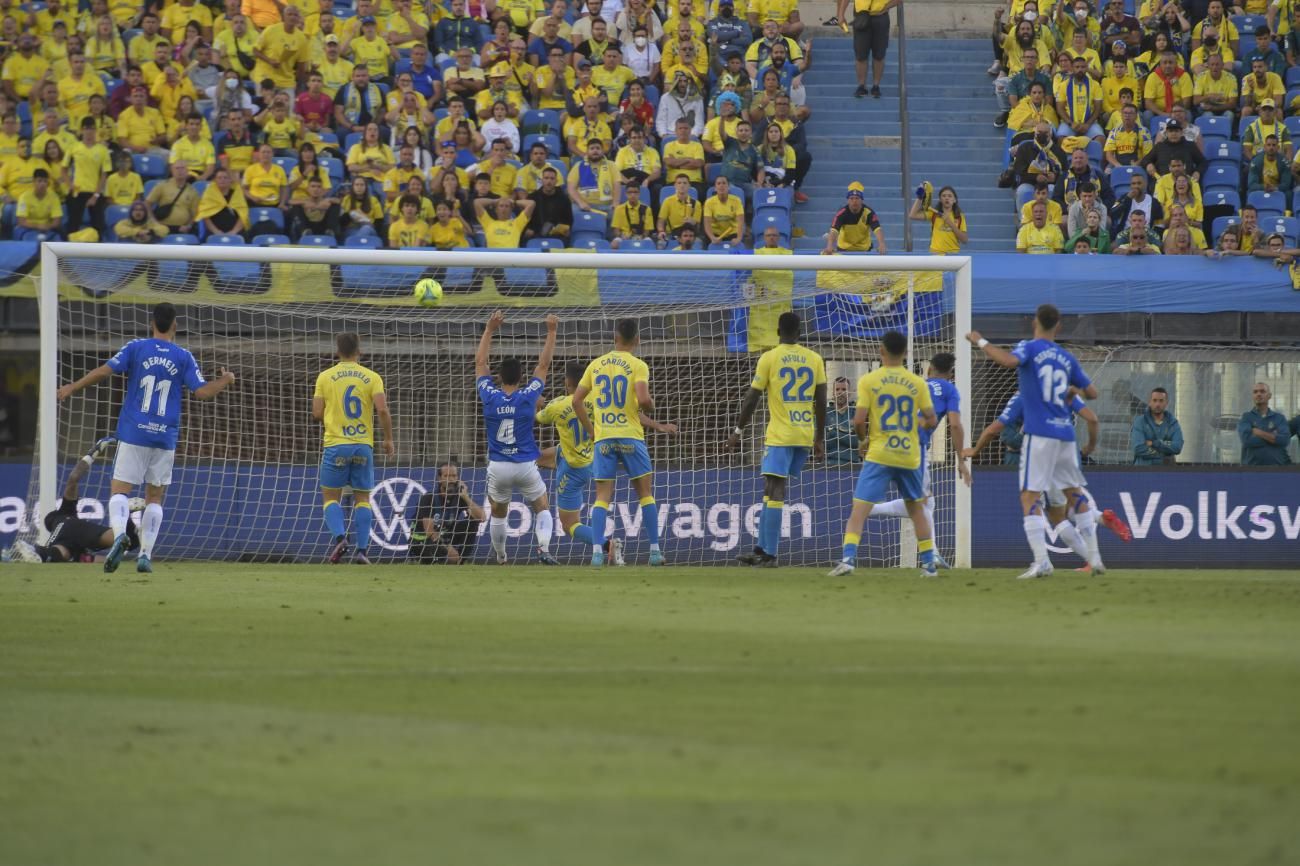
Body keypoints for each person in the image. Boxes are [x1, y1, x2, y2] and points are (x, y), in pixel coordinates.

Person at [55, 303, 235, 573]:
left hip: (134, 431)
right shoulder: (183, 356)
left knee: (119, 492)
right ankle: (146, 555)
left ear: (152, 323)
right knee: (154, 498)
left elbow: (104, 371)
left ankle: (119, 538)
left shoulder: (136, 347)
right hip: (164, 436)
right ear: (175, 325)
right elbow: (202, 393)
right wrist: (225, 381)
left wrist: (72, 386)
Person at [966, 304, 1106, 579]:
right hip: (1065, 435)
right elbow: (1093, 393)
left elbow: (1007, 362)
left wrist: (979, 340)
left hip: (1040, 434)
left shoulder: (1029, 348)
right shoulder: (1067, 357)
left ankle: (1042, 561)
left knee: (1029, 496)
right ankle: (1096, 558)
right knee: (1073, 492)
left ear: (1034, 323)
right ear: (1059, 326)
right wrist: (1075, 390)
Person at [827, 331, 939, 578]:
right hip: (909, 454)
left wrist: (863, 440)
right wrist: (911, 424)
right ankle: (930, 565)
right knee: (916, 508)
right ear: (906, 353)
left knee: (860, 508)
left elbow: (858, 420)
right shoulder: (918, 383)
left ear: (881, 351)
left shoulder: (870, 380)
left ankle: (848, 559)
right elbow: (931, 419)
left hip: (879, 453)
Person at [723, 312, 826, 566]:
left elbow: (752, 398)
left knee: (775, 488)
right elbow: (822, 400)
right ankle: (761, 549)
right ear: (800, 332)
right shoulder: (814, 358)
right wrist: (819, 437)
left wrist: (738, 431)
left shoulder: (770, 358)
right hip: (804, 432)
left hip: (781, 434)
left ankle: (770, 553)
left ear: (778, 332)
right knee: (770, 489)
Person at [571, 318, 667, 566]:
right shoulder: (638, 365)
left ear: (615, 337)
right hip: (631, 436)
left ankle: (596, 553)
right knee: (645, 494)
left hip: (604, 439)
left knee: (602, 497)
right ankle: (655, 552)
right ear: (637, 339)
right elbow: (644, 400)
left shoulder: (595, 365)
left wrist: (591, 431)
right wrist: (651, 406)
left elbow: (576, 401)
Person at [866, 351, 971, 569]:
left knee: (925, 502)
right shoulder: (950, 390)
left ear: (929, 369)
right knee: (922, 504)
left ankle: (871, 509)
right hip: (913, 449)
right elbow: (955, 425)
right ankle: (929, 554)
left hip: (890, 443)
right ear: (951, 374)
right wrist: (961, 459)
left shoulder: (916, 385)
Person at [475, 310, 560, 565]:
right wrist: (552, 332)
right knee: (542, 507)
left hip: (498, 465)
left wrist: (489, 330)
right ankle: (543, 549)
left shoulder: (489, 394)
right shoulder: (528, 396)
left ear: (498, 377)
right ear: (522, 378)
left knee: (499, 514)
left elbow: (480, 364)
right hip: (524, 465)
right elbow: (543, 366)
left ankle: (501, 557)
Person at [312, 332, 394, 565]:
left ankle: (340, 537)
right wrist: (388, 439)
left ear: (337, 352)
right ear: (360, 351)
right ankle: (362, 551)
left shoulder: (325, 377)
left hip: (336, 444)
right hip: (362, 446)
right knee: (363, 499)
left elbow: (316, 413)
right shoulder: (372, 377)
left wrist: (332, 416)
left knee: (330, 498)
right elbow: (383, 410)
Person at [3, 438, 143, 564]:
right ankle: (127, 514)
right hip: (83, 536)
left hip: (68, 537)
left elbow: (73, 479)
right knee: (128, 542)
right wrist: (93, 452)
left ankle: (37, 552)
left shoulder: (62, 516)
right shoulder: (65, 512)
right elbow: (73, 478)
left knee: (59, 552)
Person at [408, 460, 486, 564]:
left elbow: (482, 518)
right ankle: (422, 560)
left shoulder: (459, 498)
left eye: (454, 476)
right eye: (447, 476)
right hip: (422, 539)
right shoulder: (428, 498)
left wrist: (466, 497)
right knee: (437, 554)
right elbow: (430, 532)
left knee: (473, 522)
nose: (451, 479)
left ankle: (461, 561)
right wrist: (449, 550)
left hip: (444, 535)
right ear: (440, 479)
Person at [838, 0, 896, 98]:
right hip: (861, 15)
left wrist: (885, 8)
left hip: (880, 17)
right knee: (860, 54)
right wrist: (841, 14)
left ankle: (876, 85)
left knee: (879, 54)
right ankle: (861, 85)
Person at [1237, 382, 1292, 465]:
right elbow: (1247, 441)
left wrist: (1257, 432)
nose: (1258, 394)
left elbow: (1284, 440)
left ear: (1269, 395)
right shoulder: (1246, 418)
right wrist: (1273, 436)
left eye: (1262, 391)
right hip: (1251, 469)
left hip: (1278, 469)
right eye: (1255, 392)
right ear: (1252, 396)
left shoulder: (1279, 418)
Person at [823, 181, 885, 254]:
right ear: (848, 200)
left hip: (864, 249)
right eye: (851, 198)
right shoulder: (841, 213)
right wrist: (830, 245)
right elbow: (834, 231)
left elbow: (877, 229)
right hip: (844, 249)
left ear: (862, 200)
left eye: (857, 198)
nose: (854, 201)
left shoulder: (868, 213)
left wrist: (881, 244)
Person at [1131, 387, 1184, 465]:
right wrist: (1165, 454)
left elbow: (1177, 447)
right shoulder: (1140, 422)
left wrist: (1154, 443)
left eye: (1161, 401)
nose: (1157, 404)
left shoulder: (1173, 423)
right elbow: (1138, 448)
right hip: (1143, 471)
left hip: (1166, 472)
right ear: (1150, 402)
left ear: (1166, 403)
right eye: (1154, 400)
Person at [909, 184, 967, 254]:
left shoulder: (959, 216)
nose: (946, 198)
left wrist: (950, 223)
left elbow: (964, 240)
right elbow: (912, 215)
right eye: (944, 196)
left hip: (953, 254)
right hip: (935, 254)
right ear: (940, 199)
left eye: (950, 196)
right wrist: (919, 198)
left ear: (954, 200)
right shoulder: (933, 213)